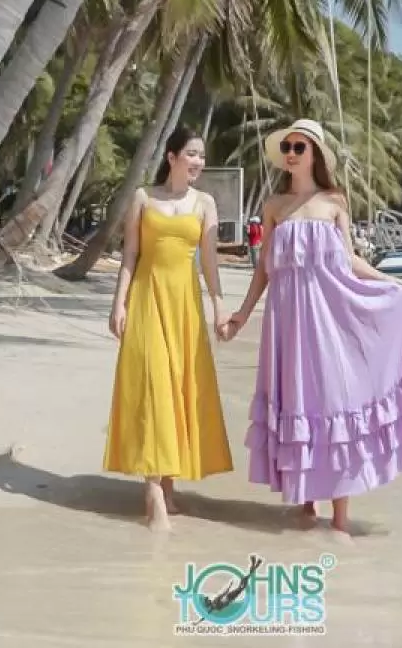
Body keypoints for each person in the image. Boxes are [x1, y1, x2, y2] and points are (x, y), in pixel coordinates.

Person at [223, 118, 402, 539]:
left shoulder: (335, 202)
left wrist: (391, 283)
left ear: (314, 154)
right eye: (288, 148)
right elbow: (264, 268)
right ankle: (307, 505)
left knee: (333, 402)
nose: (291, 154)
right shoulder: (275, 206)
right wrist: (242, 313)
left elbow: (349, 261)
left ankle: (341, 519)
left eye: (299, 147)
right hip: (287, 322)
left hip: (330, 318)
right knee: (297, 402)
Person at [103, 125, 233, 532]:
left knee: (178, 388)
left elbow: (209, 260)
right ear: (172, 157)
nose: (198, 161)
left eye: (201, 155)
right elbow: (130, 254)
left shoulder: (205, 203)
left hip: (185, 306)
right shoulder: (144, 197)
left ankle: (169, 482)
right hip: (146, 298)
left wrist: (218, 304)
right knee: (154, 387)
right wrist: (118, 303)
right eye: (191, 153)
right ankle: (154, 493)